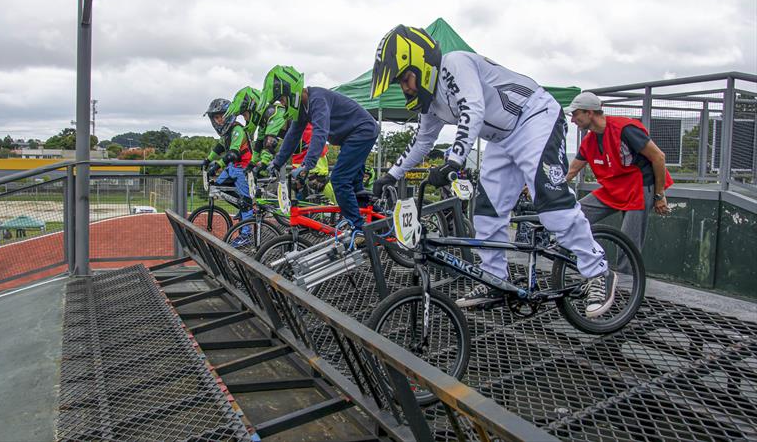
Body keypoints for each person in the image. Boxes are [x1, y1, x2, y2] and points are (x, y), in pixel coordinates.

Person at [369, 25, 616, 317]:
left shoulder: (455, 64)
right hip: (502, 138)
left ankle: (598, 270)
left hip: (534, 117)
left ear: (421, 64)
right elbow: (421, 142)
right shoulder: (430, 102)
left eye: (405, 79)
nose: (406, 88)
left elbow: (472, 109)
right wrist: (389, 176)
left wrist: (454, 161)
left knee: (551, 204)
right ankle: (495, 279)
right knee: (486, 212)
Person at [261, 65, 379, 238]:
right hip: (352, 137)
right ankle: (376, 216)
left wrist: (307, 165)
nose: (283, 104)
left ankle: (360, 230)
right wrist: (277, 162)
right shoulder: (302, 109)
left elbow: (320, 133)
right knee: (354, 187)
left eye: (283, 99)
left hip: (362, 131)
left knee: (339, 180)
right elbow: (292, 136)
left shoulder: (317, 99)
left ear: (291, 90)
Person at [565, 91, 673, 258]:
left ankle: (627, 281)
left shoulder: (624, 129)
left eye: (575, 114)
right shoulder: (590, 140)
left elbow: (658, 157)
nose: (572, 120)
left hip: (639, 187)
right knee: (574, 216)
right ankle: (583, 261)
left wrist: (659, 196)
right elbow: (572, 171)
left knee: (627, 243)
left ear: (589, 112)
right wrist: (547, 186)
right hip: (614, 188)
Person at [201, 98, 254, 248]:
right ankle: (244, 209)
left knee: (245, 201)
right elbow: (219, 148)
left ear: (229, 115)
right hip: (233, 168)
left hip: (243, 169)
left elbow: (232, 154)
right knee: (219, 186)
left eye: (220, 116)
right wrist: (207, 160)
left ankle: (246, 235)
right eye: (215, 118)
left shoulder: (237, 130)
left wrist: (217, 165)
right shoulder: (226, 133)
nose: (218, 121)